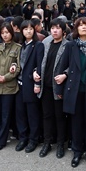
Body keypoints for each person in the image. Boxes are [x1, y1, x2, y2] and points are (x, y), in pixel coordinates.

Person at [56, 17, 86, 169]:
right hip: (74, 90)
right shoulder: (70, 46)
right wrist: (60, 90)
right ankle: (77, 152)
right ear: (76, 29)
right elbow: (62, 68)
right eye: (80, 25)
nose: (83, 27)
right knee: (76, 123)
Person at [34, 18, 68, 158]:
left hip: (58, 87)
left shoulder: (68, 46)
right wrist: (36, 72)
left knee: (59, 117)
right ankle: (47, 143)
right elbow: (41, 63)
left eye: (58, 28)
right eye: (52, 28)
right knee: (47, 116)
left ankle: (60, 144)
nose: (54, 30)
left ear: (63, 31)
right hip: (45, 86)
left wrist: (65, 75)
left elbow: (72, 65)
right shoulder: (46, 44)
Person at [0, 22, 21, 152]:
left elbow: (17, 67)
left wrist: (5, 77)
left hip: (8, 86)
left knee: (5, 115)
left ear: (11, 33)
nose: (5, 35)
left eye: (7, 32)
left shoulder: (17, 48)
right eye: (2, 33)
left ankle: (1, 140)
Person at [14, 20, 44, 153]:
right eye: (25, 29)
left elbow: (39, 66)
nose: (28, 31)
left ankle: (33, 139)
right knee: (20, 113)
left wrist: (37, 84)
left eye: (31, 29)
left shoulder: (38, 46)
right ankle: (23, 138)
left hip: (31, 84)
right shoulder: (20, 46)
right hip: (19, 84)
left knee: (32, 114)